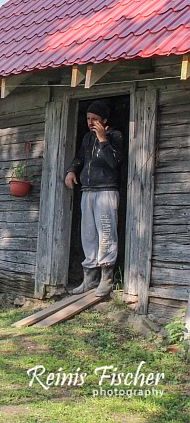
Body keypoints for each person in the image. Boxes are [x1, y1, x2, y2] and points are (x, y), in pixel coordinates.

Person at [64, 100, 124, 297]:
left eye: (95, 119)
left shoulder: (115, 136)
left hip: (106, 191)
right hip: (88, 191)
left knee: (106, 234)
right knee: (88, 235)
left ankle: (107, 279)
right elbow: (80, 157)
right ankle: (89, 279)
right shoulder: (87, 138)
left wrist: (103, 138)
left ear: (104, 120)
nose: (90, 122)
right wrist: (72, 171)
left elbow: (114, 162)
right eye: (88, 119)